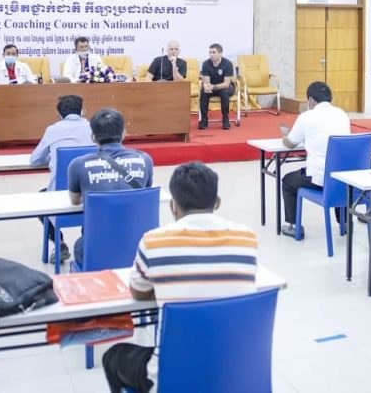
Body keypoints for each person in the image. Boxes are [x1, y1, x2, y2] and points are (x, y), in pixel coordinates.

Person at [102, 162, 258, 393]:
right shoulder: (247, 238)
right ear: (217, 202)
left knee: (114, 356)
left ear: (173, 205)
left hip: (172, 376)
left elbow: (138, 292)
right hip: (236, 372)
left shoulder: (153, 241)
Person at [67, 108, 154, 265]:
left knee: (80, 245)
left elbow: (75, 201)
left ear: (93, 136)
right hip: (139, 247)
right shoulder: (145, 160)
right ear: (124, 133)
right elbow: (143, 193)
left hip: (97, 247)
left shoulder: (78, 165)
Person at [279, 81, 351, 237]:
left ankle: (294, 226)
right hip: (343, 178)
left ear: (311, 100)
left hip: (319, 178)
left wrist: (284, 135)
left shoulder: (306, 116)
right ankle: (344, 223)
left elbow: (290, 143)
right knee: (337, 173)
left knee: (287, 181)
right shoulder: (342, 114)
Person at [30, 95, 94, 263]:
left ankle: (59, 243)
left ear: (59, 114)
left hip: (59, 195)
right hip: (91, 195)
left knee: (40, 199)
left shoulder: (53, 130)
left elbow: (35, 160)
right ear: (82, 111)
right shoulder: (93, 128)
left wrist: (52, 156)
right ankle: (86, 240)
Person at [198, 43, 234, 130]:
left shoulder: (228, 64)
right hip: (211, 86)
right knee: (204, 92)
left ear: (220, 53)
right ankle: (204, 120)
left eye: (214, 52)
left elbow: (226, 84)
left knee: (224, 93)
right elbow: (207, 82)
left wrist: (213, 87)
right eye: (210, 52)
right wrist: (207, 87)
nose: (211, 54)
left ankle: (225, 119)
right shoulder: (206, 64)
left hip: (225, 87)